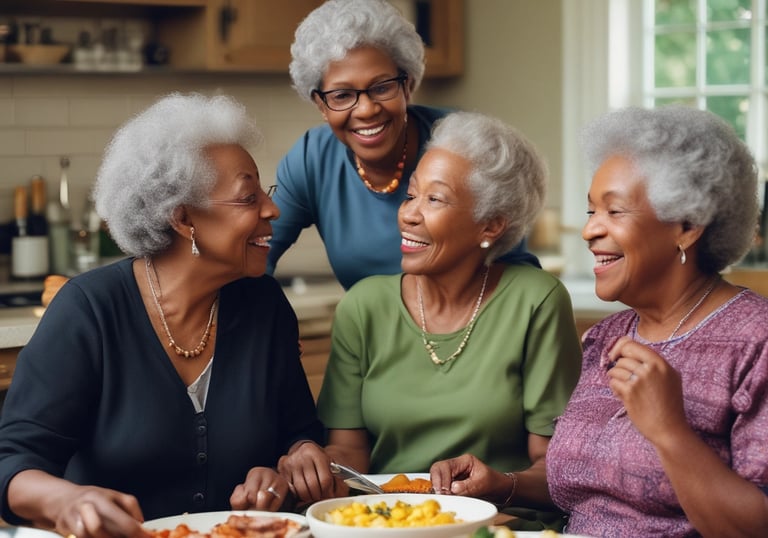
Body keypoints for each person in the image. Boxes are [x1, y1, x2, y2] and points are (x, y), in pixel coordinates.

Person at [0, 93, 324, 537]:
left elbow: (298, 434)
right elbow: (12, 461)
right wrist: (66, 499)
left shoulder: (264, 305)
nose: (273, 210)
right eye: (248, 198)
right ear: (183, 219)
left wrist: (288, 468)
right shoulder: (89, 310)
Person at [278, 111, 582, 528]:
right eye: (411, 195)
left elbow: (557, 469)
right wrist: (312, 466)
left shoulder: (535, 300)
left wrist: (500, 484)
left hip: (499, 527)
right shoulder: (364, 307)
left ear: (490, 224)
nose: (408, 214)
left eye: (434, 199)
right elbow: (348, 455)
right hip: (387, 525)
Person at [543, 105, 768, 536]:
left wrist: (669, 432)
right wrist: (505, 485)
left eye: (615, 211)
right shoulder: (607, 337)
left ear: (687, 225)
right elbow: (587, 487)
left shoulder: (755, 341)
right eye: (592, 211)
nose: (590, 230)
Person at [267, 0, 539, 290]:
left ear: (407, 86)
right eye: (342, 95)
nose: (366, 110)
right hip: (371, 333)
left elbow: (513, 267)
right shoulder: (312, 159)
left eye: (382, 87)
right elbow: (255, 250)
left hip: (477, 327)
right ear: (321, 104)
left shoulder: (462, 146)